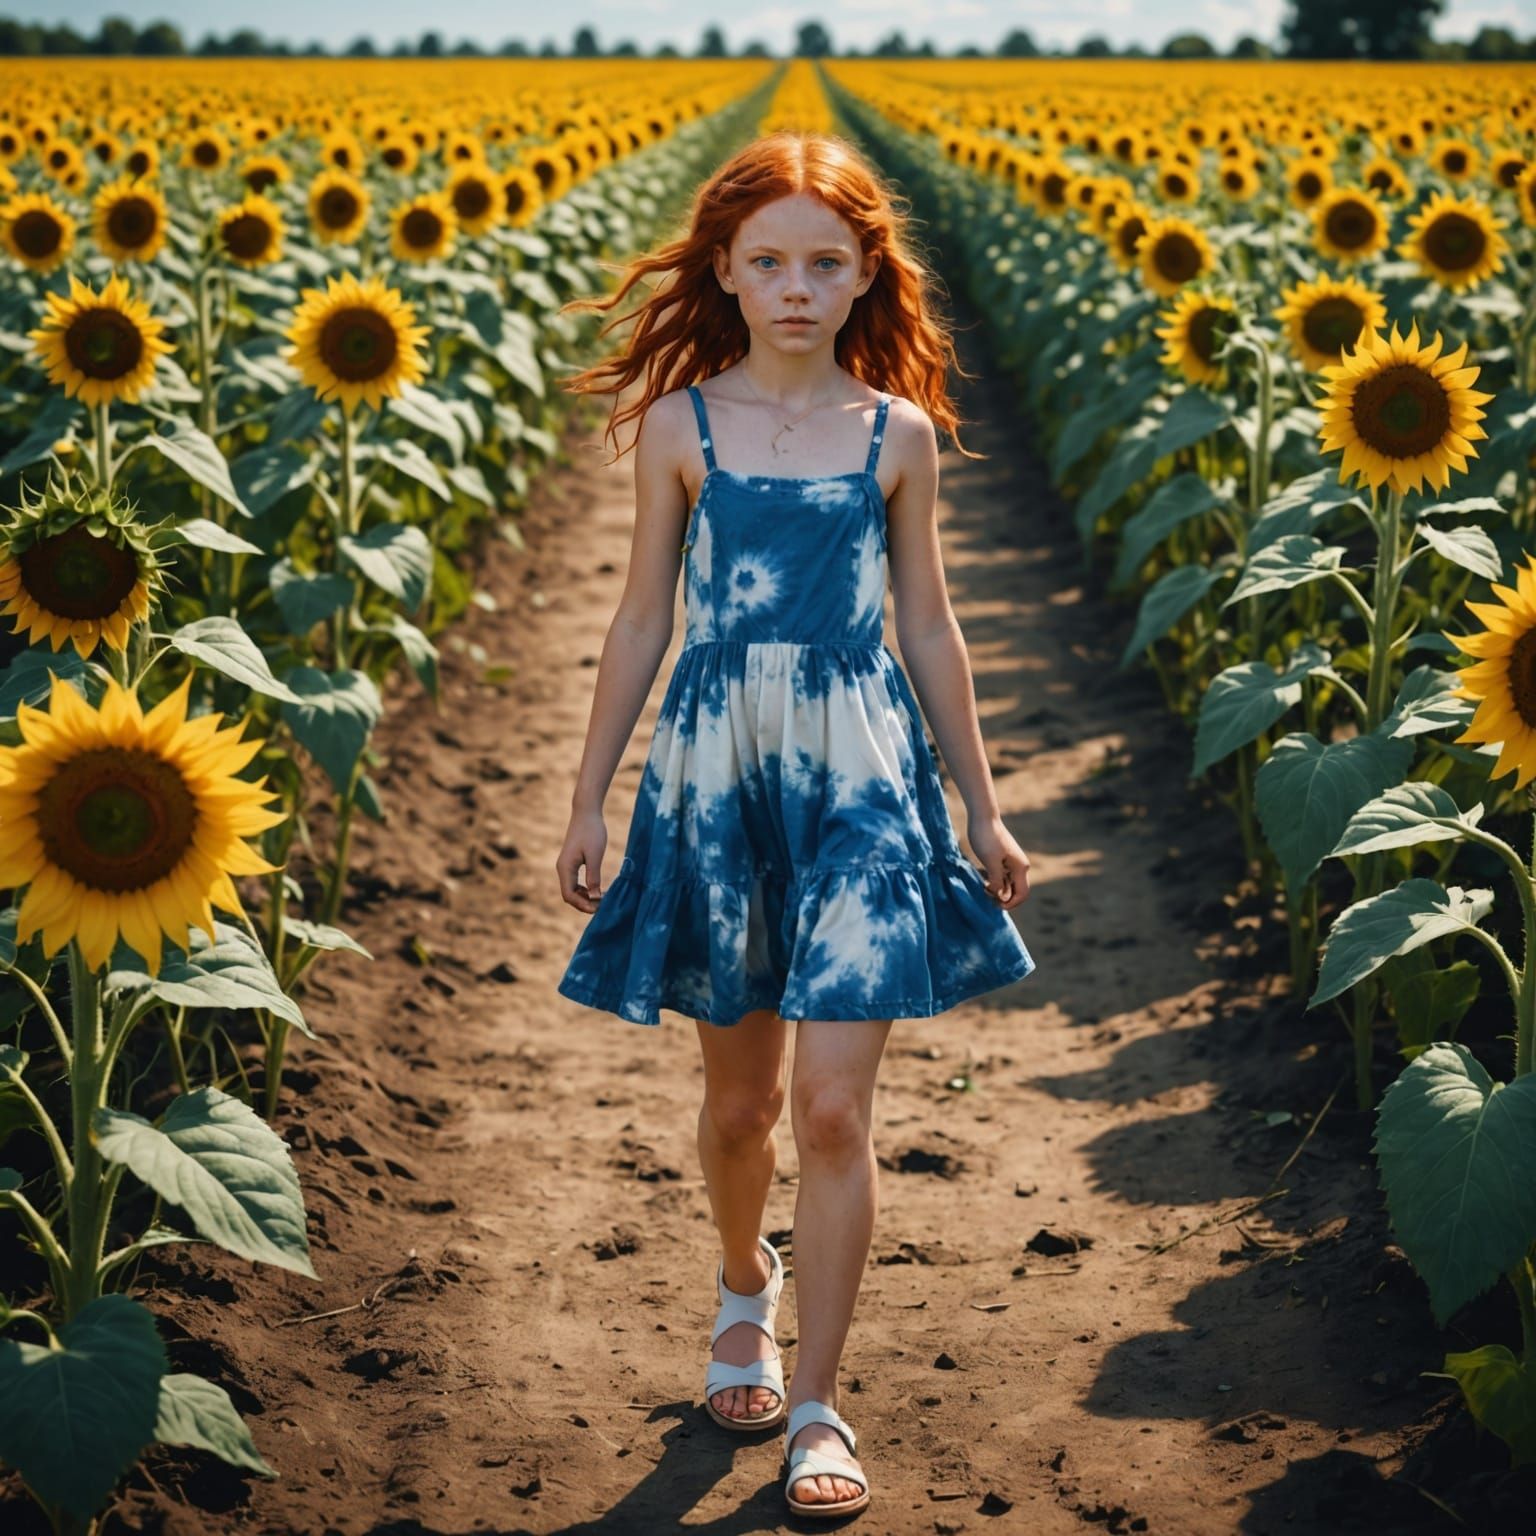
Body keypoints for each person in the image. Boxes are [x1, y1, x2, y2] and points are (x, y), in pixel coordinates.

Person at [553, 130, 1037, 1521]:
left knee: (833, 1109)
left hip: (863, 779)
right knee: (743, 1105)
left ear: (864, 274)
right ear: (723, 269)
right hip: (717, 778)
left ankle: (818, 1402)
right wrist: (589, 796)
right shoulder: (679, 427)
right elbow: (642, 614)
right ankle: (742, 1283)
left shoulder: (898, 434)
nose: (796, 287)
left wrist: (984, 809)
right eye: (767, 261)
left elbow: (930, 627)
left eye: (826, 262)